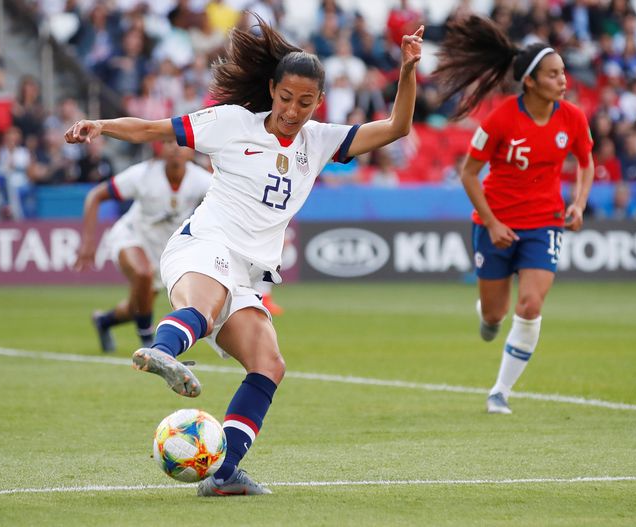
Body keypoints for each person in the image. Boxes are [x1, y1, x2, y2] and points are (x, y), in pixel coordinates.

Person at [65, 15, 423, 496]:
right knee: (204, 307)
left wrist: (406, 70)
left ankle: (225, 474)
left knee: (269, 364)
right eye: (285, 98)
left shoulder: (319, 142)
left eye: (306, 101)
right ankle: (162, 351)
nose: (294, 110)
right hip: (202, 244)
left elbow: (399, 126)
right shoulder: (232, 124)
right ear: (272, 89)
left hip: (247, 274)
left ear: (320, 101)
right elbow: (153, 129)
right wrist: (101, 125)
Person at [432, 15, 594, 415]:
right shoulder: (501, 118)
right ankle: (488, 317)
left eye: (563, 73)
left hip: (544, 222)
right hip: (496, 223)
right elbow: (468, 173)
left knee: (531, 306)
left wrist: (578, 204)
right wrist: (491, 222)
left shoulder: (572, 117)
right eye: (554, 75)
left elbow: (586, 163)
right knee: (494, 315)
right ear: (531, 81)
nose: (564, 81)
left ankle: (499, 392)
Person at [75, 141, 211, 353]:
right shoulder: (142, 175)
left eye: (181, 144)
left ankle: (104, 321)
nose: (175, 148)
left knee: (135, 307)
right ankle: (149, 342)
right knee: (143, 272)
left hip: (162, 250)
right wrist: (88, 242)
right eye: (169, 143)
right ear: (160, 148)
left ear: (191, 150)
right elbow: (95, 196)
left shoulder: (202, 180)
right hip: (130, 236)